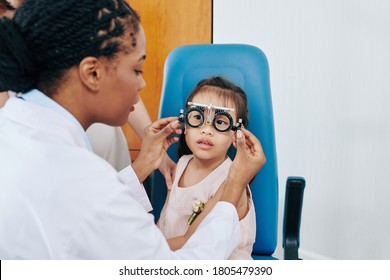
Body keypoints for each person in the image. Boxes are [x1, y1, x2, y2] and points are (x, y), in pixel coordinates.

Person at [0, 0, 265, 259]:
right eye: (137, 69)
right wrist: (232, 189)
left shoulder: (15, 130)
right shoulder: (81, 180)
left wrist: (140, 167)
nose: (142, 83)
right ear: (92, 73)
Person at [0, 0, 176, 188]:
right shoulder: (30, 143)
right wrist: (141, 167)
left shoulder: (76, 13)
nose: (141, 84)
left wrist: (154, 155)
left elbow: (119, 80)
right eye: (137, 71)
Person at [158, 77, 256, 259]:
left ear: (236, 134)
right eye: (197, 117)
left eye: (220, 122)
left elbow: (191, 240)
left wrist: (144, 250)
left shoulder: (231, 181)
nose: (206, 129)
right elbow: (164, 221)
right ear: (185, 125)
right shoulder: (181, 164)